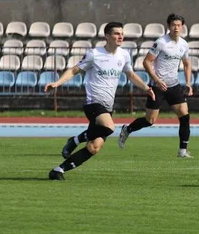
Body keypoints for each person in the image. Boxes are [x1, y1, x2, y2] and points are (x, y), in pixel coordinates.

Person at [45, 22, 153, 180]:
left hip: (107, 106)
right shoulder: (94, 54)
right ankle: (76, 140)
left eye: (122, 34)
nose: (120, 36)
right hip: (93, 102)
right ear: (107, 36)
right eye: (116, 33)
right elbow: (74, 70)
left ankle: (58, 170)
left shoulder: (124, 55)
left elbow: (131, 75)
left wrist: (145, 87)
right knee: (109, 127)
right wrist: (57, 83)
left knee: (94, 147)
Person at [117, 13, 195, 158]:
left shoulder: (184, 44)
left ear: (182, 27)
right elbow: (146, 62)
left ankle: (182, 151)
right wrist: (157, 80)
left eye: (178, 25)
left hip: (174, 86)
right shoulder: (161, 42)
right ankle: (127, 129)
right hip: (158, 87)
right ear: (168, 26)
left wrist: (188, 83)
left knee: (185, 117)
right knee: (150, 120)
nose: (176, 28)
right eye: (173, 25)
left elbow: (186, 64)